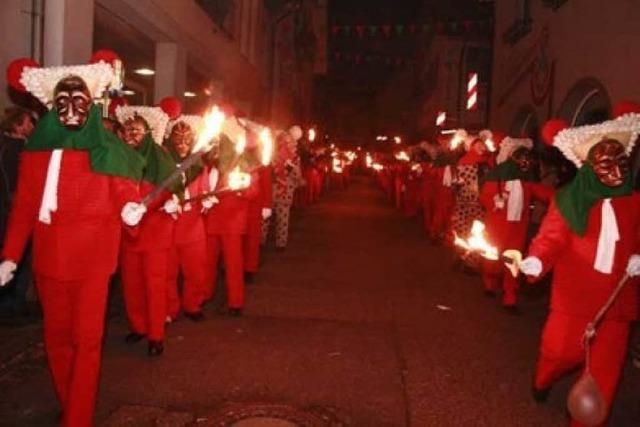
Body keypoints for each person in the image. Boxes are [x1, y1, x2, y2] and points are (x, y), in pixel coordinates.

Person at [0, 60, 145, 427]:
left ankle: (78, 418)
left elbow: (127, 194)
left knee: (88, 342)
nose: (70, 109)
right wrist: (10, 256)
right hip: (50, 262)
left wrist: (131, 210)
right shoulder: (36, 152)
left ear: (91, 104)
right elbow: (24, 208)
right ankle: (72, 403)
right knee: (56, 339)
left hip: (93, 262)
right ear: (51, 104)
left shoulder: (108, 149)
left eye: (79, 100)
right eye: (61, 101)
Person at [519, 114, 640, 426]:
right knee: (558, 352)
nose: (615, 170)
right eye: (605, 163)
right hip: (574, 299)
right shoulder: (569, 201)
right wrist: (537, 260)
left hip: (616, 303)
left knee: (604, 378)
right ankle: (543, 378)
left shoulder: (634, 202)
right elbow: (551, 239)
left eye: (619, 161)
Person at [116, 105, 177, 357]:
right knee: (131, 284)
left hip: (154, 233)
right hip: (127, 234)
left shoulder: (159, 156)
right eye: (127, 130)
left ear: (148, 133)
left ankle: (156, 334)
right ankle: (138, 326)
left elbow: (168, 188)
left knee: (153, 284)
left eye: (137, 131)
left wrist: (147, 206)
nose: (131, 135)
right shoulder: (118, 156)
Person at [479, 138, 553, 313]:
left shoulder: (526, 179)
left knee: (513, 261)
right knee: (493, 257)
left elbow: (544, 193)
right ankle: (489, 283)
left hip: (518, 227)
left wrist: (566, 198)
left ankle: (510, 297)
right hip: (497, 225)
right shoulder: (496, 176)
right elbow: (485, 196)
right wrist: (493, 201)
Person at [164, 115, 210, 321]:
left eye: (187, 139)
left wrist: (207, 201)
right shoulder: (163, 164)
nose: (182, 143)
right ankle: (169, 308)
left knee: (195, 269)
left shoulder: (199, 165)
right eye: (178, 138)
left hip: (192, 225)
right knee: (168, 271)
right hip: (169, 224)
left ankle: (193, 304)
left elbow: (205, 189)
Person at [0, 108, 34, 317]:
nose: (31, 127)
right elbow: (15, 185)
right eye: (28, 122)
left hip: (7, 210)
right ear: (18, 125)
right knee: (18, 258)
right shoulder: (16, 150)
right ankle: (13, 306)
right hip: (12, 211)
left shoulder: (7, 146)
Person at [450, 133, 492, 268]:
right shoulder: (463, 161)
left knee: (478, 231)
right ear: (471, 147)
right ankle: (461, 256)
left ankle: (472, 262)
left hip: (480, 204)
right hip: (464, 202)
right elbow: (457, 183)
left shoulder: (489, 162)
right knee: (462, 229)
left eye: (482, 145)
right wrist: (457, 184)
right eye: (478, 145)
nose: (482, 147)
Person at [269, 128, 303, 250]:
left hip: (272, 188)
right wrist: (299, 181)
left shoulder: (274, 154)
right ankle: (281, 243)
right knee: (283, 217)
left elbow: (270, 170)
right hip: (286, 190)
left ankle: (260, 240)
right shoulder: (294, 158)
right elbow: (297, 175)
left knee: (266, 217)